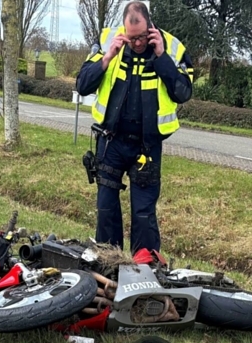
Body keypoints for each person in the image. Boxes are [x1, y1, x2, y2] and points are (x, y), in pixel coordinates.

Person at [76, 1, 194, 254]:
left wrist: (162, 58)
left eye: (141, 37)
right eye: (132, 39)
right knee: (106, 208)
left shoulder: (173, 48)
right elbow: (83, 84)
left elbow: (183, 92)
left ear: (150, 27)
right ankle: (109, 264)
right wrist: (108, 57)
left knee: (143, 214)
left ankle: (145, 269)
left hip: (146, 147)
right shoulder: (108, 39)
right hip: (111, 142)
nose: (137, 44)